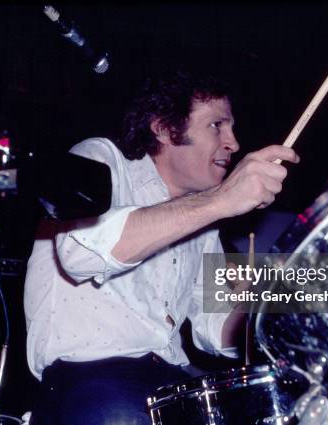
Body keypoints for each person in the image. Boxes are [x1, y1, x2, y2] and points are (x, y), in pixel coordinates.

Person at [24, 70, 299, 425]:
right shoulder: (98, 158)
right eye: (217, 125)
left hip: (170, 379)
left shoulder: (203, 219)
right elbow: (80, 254)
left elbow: (214, 331)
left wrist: (259, 299)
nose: (233, 142)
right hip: (89, 378)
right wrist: (222, 199)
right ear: (165, 128)